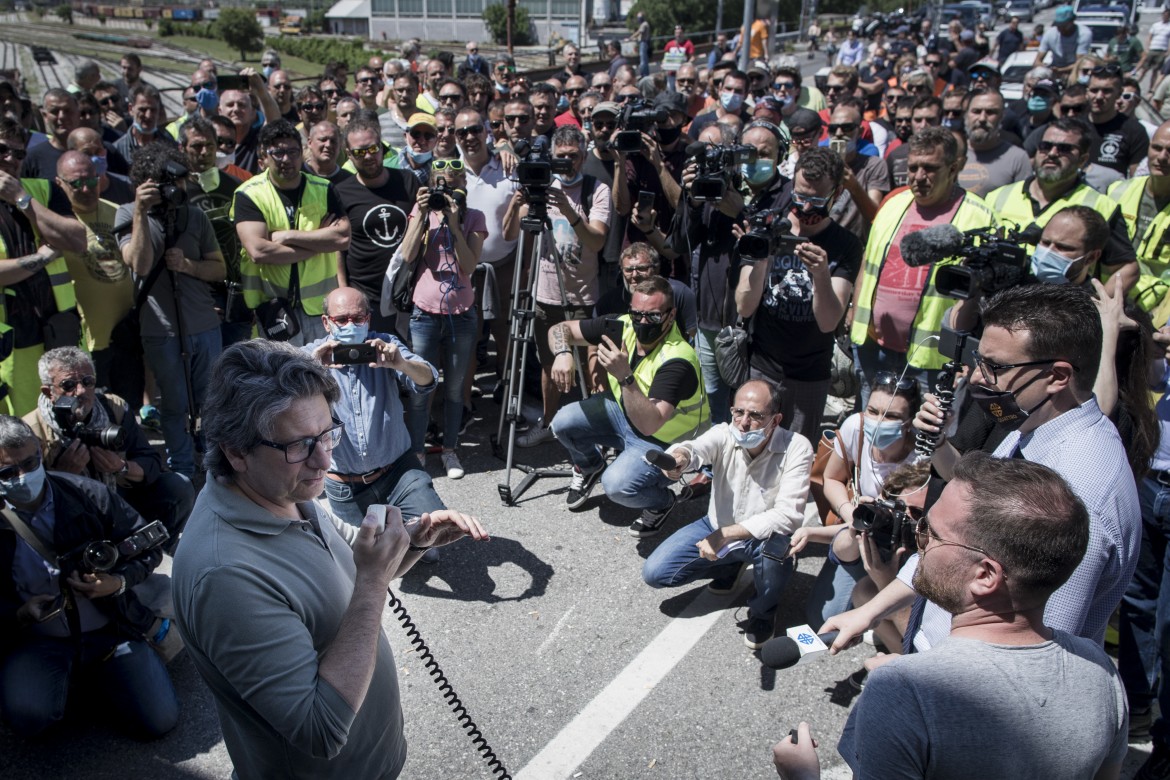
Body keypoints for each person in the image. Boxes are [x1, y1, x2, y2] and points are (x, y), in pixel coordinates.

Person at [171, 340, 488, 780]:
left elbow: (356, 561)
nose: (325, 460)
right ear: (235, 450)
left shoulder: (282, 492)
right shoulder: (224, 574)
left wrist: (412, 541)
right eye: (301, 446)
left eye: (327, 434)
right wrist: (375, 583)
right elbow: (319, 729)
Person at [773, 453, 1128, 780]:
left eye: (931, 533)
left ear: (985, 575)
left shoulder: (902, 693)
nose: (919, 541)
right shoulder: (1103, 674)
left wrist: (803, 775)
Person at [0, 414, 179, 740]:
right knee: (28, 717)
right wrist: (17, 614)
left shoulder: (87, 493)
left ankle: (105, 678)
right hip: (41, 641)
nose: (23, 476)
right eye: (8, 472)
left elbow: (150, 545)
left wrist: (119, 582)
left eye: (30, 462)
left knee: (160, 721)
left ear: (40, 451)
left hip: (111, 629)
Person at [642, 379, 813, 648]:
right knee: (656, 573)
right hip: (717, 525)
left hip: (762, 538)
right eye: (738, 412)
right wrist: (680, 458)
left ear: (776, 419)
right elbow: (695, 448)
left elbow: (788, 516)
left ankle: (763, 612)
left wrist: (725, 534)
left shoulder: (797, 447)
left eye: (756, 415)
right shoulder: (724, 433)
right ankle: (729, 564)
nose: (744, 422)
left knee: (776, 552)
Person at [547, 276, 709, 535]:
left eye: (653, 316)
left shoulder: (678, 359)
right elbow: (560, 329)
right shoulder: (621, 326)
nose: (643, 322)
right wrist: (563, 352)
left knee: (617, 486)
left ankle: (663, 501)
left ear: (671, 315)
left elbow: (649, 424)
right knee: (562, 423)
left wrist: (624, 375)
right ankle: (590, 467)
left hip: (663, 437)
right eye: (637, 314)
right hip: (624, 412)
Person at [849, 127, 994, 406]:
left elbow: (983, 295)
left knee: (922, 440)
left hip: (932, 357)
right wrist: (854, 314)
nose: (918, 176)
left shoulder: (980, 217)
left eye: (930, 168)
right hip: (871, 347)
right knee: (874, 432)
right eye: (913, 167)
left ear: (953, 168)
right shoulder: (893, 203)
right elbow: (868, 262)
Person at [306, 287, 443, 561]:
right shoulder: (311, 355)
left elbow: (429, 379)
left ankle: (398, 530)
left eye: (358, 318)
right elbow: (273, 394)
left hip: (398, 470)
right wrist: (310, 367)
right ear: (326, 322)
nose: (350, 325)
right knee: (364, 559)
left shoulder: (384, 344)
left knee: (431, 544)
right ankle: (388, 536)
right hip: (345, 484)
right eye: (341, 319)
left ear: (368, 319)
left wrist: (401, 364)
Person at [736, 148, 860, 445]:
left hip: (810, 371)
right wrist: (761, 259)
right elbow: (744, 305)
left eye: (816, 199)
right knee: (751, 445)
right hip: (763, 364)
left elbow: (829, 322)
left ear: (837, 193)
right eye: (799, 195)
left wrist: (820, 275)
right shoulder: (767, 226)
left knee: (796, 454)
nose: (805, 206)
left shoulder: (845, 245)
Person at [116, 142, 225, 479]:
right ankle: (180, 466)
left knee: (212, 402)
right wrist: (140, 212)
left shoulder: (195, 215)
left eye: (173, 182)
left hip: (203, 324)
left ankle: (214, 464)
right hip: (160, 329)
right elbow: (139, 263)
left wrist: (189, 266)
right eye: (161, 183)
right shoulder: (126, 214)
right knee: (174, 404)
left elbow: (219, 269)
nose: (169, 191)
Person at [502, 125, 610, 447]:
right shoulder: (540, 185)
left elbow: (597, 241)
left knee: (593, 369)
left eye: (573, 157)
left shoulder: (595, 189)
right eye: (560, 158)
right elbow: (510, 235)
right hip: (544, 295)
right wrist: (515, 202)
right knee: (550, 366)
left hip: (582, 295)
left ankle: (598, 432)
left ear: (584, 154)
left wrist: (566, 208)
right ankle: (549, 423)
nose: (567, 164)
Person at [26, 346, 194, 545]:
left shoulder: (113, 409)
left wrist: (121, 467)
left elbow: (150, 462)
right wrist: (62, 477)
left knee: (178, 486)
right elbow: (26, 502)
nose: (81, 391)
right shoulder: (31, 432)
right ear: (48, 392)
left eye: (88, 382)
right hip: (69, 517)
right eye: (68, 385)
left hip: (118, 500)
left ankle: (154, 552)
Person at [803, 374, 921, 629]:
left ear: (909, 423)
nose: (878, 422)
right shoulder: (855, 427)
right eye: (873, 411)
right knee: (821, 620)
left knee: (894, 613)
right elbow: (831, 478)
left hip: (903, 546)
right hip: (862, 533)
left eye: (891, 416)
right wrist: (852, 514)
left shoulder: (922, 455)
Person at [397, 154, 487, 479]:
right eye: (441, 181)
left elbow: (469, 264)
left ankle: (449, 450)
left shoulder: (474, 217)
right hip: (424, 312)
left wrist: (453, 221)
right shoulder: (421, 213)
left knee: (454, 388)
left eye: (453, 181)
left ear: (462, 185)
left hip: (462, 314)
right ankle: (417, 451)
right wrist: (422, 214)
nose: (447, 187)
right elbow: (407, 255)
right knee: (421, 387)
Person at [232, 120, 349, 347]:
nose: (286, 159)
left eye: (292, 152)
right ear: (264, 156)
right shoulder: (248, 194)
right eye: (278, 153)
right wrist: (319, 241)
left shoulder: (323, 189)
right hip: (273, 310)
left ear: (302, 152)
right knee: (279, 378)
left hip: (320, 310)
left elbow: (342, 238)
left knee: (322, 378)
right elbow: (258, 251)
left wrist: (286, 236)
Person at [0, 118, 87, 418]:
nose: (11, 159)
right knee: (24, 422)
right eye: (3, 150)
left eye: (19, 153)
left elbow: (77, 239)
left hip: (57, 328)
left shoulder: (44, 190)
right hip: (11, 340)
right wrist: (42, 258)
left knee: (71, 411)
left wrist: (22, 199)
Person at [987, 119, 1137, 291]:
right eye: (1045, 146)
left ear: (1083, 160)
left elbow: (1128, 268)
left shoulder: (1102, 205)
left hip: (1061, 308)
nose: (1052, 153)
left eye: (1064, 149)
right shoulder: (997, 196)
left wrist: (1096, 306)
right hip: (998, 301)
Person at [334, 117, 418, 334]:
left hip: (410, 290)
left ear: (382, 148)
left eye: (373, 148)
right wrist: (345, 292)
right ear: (349, 154)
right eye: (360, 152)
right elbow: (338, 249)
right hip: (366, 297)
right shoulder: (341, 192)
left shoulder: (408, 182)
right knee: (374, 362)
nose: (369, 156)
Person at [179, 116, 250, 349]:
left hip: (236, 291)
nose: (205, 152)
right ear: (182, 148)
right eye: (196, 146)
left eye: (210, 145)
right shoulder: (177, 191)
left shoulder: (235, 185)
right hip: (197, 292)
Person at [1109, 119, 1170, 313]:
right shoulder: (1118, 190)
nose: (1162, 157)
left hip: (1158, 310)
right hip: (1110, 297)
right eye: (1156, 148)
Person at [958, 90, 1031, 198]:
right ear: (966, 115)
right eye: (976, 111)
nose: (982, 118)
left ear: (1002, 117)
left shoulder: (1018, 158)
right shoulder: (950, 152)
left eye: (990, 112)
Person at [1086, 63, 1149, 176]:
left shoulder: (1134, 131)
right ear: (1087, 92)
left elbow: (1137, 180)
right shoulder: (1074, 126)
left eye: (1107, 91)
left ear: (1119, 94)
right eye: (1094, 90)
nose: (1099, 96)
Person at [1036, 5, 1091, 78]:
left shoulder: (1084, 33)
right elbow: (1037, 61)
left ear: (1071, 21)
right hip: (1054, 68)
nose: (1060, 28)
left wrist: (1061, 70)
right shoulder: (1050, 33)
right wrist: (1045, 68)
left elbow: (1080, 62)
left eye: (1064, 25)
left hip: (1074, 70)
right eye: (1059, 25)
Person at [628, 12, 651, 77]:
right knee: (644, 59)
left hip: (643, 42)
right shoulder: (644, 24)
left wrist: (630, 38)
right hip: (644, 42)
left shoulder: (644, 24)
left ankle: (644, 74)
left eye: (639, 18)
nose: (638, 19)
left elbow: (639, 32)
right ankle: (645, 73)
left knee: (643, 60)